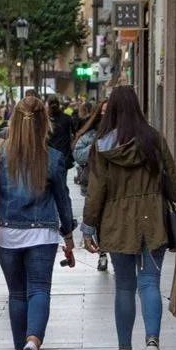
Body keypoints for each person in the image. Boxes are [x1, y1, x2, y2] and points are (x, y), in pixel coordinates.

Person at [81, 86, 176, 350]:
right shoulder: (153, 139)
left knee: (125, 287)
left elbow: (96, 192)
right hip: (153, 218)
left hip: (117, 223)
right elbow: (173, 180)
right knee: (150, 282)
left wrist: (88, 226)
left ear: (111, 110)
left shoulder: (102, 146)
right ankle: (152, 343)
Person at [0, 96, 75, 350]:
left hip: (6, 233)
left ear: (14, 121)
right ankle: (34, 341)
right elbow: (63, 200)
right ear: (45, 122)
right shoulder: (53, 158)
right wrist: (68, 234)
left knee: (17, 293)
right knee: (40, 289)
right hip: (42, 233)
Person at [73, 99, 109, 272]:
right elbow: (78, 155)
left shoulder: (124, 134)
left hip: (116, 189)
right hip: (93, 183)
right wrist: (96, 147)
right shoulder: (90, 134)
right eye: (103, 112)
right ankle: (103, 252)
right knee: (98, 218)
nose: (106, 115)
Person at [46, 95, 76, 169]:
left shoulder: (45, 119)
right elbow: (74, 133)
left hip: (50, 154)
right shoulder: (67, 118)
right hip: (64, 153)